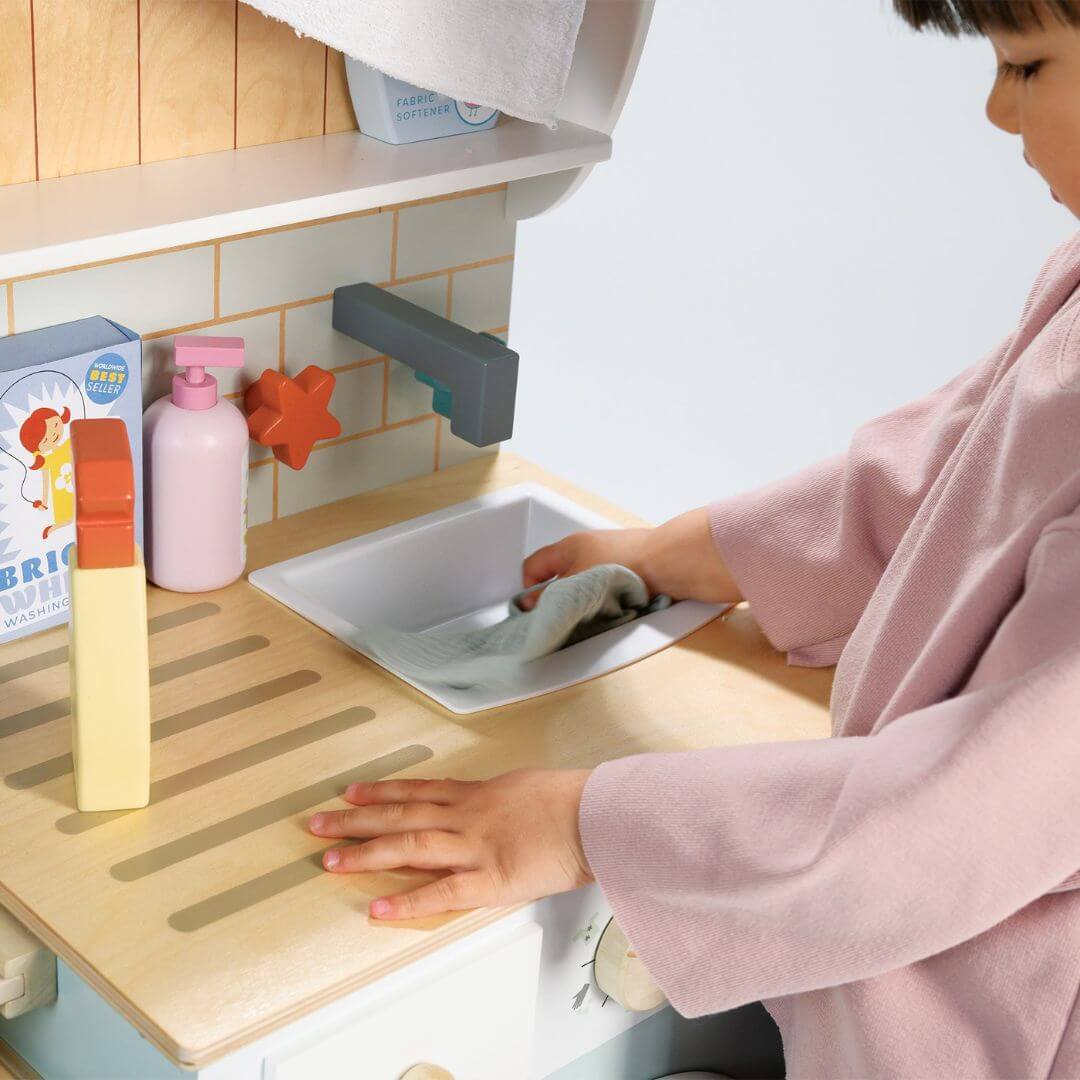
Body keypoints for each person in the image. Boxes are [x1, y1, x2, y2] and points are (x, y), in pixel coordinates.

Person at [310, 2, 1080, 1074]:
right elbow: (937, 474)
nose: (998, 112)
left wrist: (576, 817)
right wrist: (673, 550)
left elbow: (945, 829)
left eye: (1028, 66)